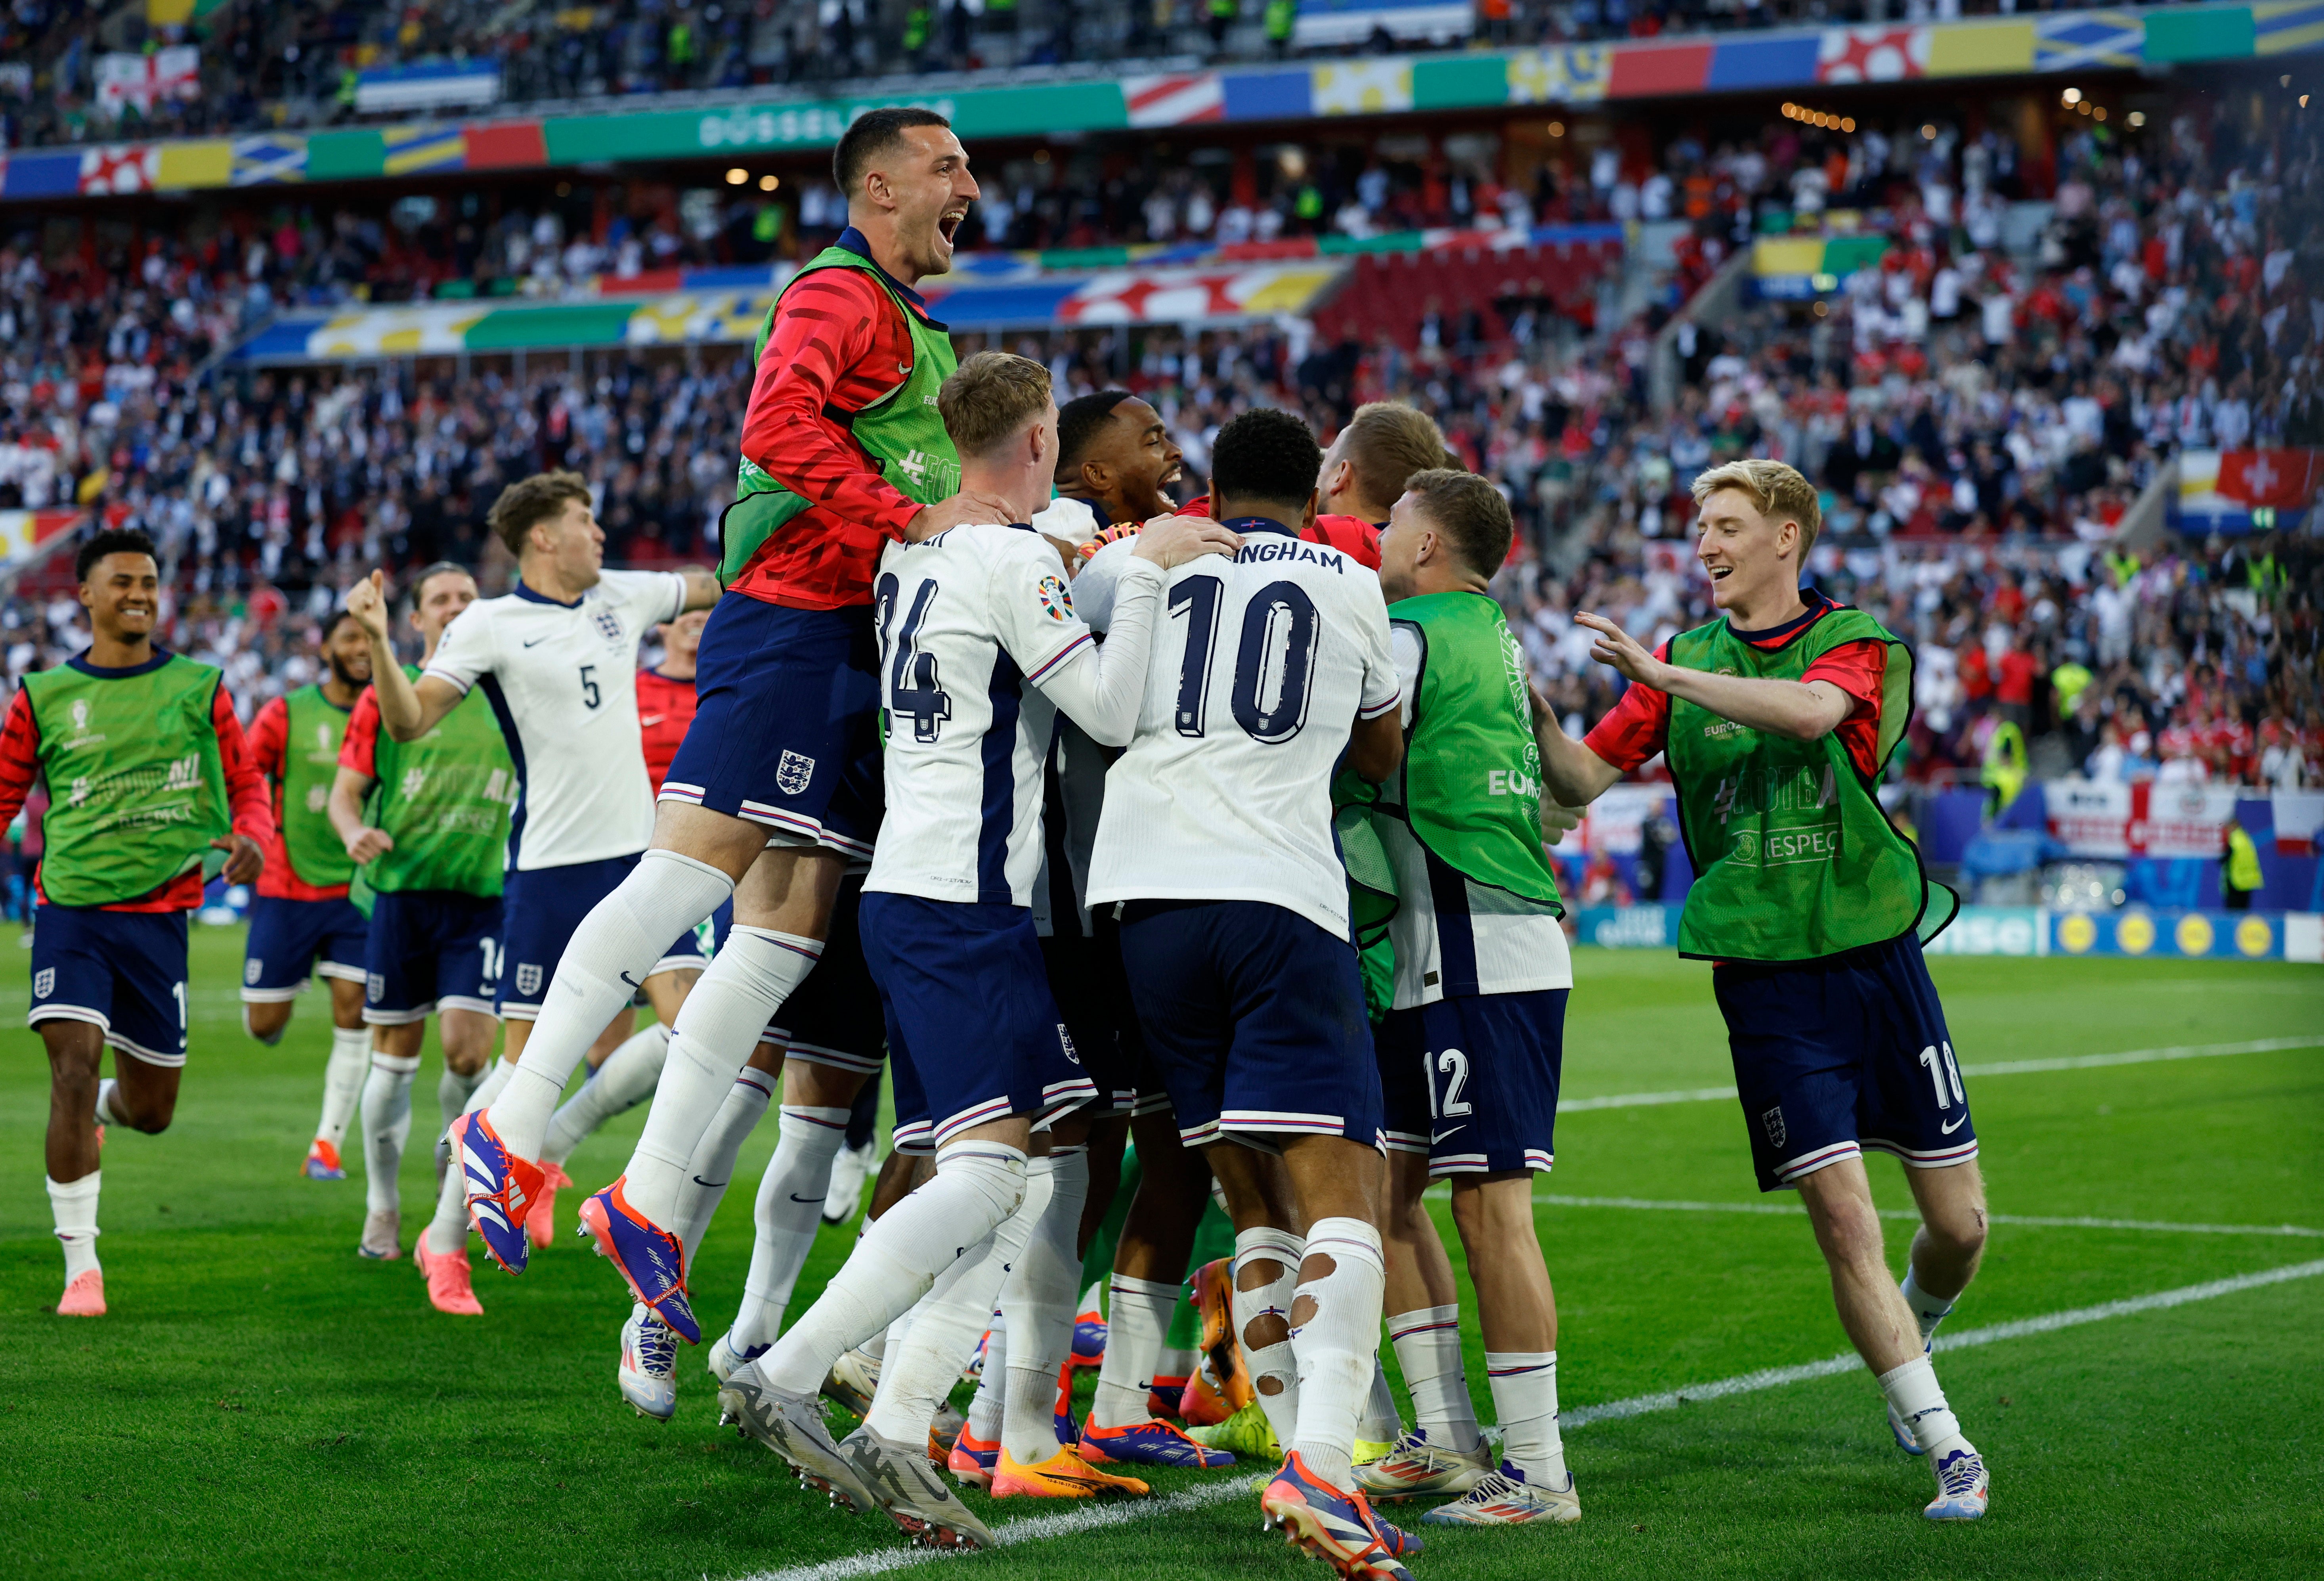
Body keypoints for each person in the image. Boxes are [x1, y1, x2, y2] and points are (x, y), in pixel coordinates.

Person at [451, 109, 1009, 1341]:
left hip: (843, 645)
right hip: (794, 623)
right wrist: (905, 522)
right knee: (686, 867)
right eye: (947, 165)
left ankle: (647, 1197)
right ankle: (510, 1116)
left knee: (791, 925)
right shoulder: (837, 291)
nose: (970, 183)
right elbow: (776, 425)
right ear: (878, 184)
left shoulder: (918, 325)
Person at [717, 352, 1237, 1541]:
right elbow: (1105, 707)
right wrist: (1146, 571)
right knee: (998, 1175)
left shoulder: (920, 547)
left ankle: (900, 1429)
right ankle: (789, 1370)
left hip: (932, 889)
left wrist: (1086, 555)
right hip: (961, 900)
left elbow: (1028, 566)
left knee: (1022, 1178)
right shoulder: (1005, 556)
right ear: (1045, 438)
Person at [1535, 457, 1990, 1523]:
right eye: (1701, 528)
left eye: (1728, 525)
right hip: (1765, 980)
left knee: (1960, 1225)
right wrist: (1519, 703)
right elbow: (1584, 780)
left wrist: (1665, 676)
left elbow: (1813, 715)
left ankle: (1918, 1316)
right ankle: (1945, 1441)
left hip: (1876, 953)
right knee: (1843, 1219)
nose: (1706, 545)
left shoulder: (1856, 641)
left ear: (1788, 536)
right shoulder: (1679, 659)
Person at [1079, 407, 1419, 1580]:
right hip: (1277, 894)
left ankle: (1284, 1434)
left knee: (1240, 1176)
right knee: (1346, 1192)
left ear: (1214, 486)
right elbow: (1380, 753)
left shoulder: (1146, 561)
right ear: (1312, 493)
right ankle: (1323, 1461)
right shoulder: (1348, 579)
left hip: (1140, 900)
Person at [344, 473, 720, 1380]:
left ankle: (552, 1148)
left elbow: (721, 579)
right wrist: (382, 640)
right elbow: (407, 718)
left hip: (645, 856)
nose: (601, 531)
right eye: (586, 521)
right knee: (520, 1066)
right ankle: (444, 1237)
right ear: (544, 538)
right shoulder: (487, 624)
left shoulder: (622, 594)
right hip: (550, 875)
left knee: (701, 1032)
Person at [1353, 469, 1580, 1526]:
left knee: (1491, 1208)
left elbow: (1365, 747)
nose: (1380, 534)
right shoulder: (1491, 631)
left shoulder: (1412, 632)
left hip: (1475, 944)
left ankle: (1539, 1474)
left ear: (1431, 544)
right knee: (1390, 1196)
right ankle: (1446, 1439)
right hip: (1436, 946)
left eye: (1393, 522)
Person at [2, 528, 268, 1317]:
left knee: (152, 1109)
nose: (140, 593)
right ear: (84, 595)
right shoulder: (42, 695)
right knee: (72, 1069)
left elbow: (244, 777)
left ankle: (109, 1116)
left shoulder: (201, 686)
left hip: (161, 918)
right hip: (72, 911)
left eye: (149, 580)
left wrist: (252, 834)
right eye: (122, 581)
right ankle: (81, 1267)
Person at [326, 562, 514, 1299]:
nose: (457, 607)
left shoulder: (507, 692)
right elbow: (347, 795)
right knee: (396, 1057)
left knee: (469, 1056)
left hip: (483, 900)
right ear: (418, 621)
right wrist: (351, 835)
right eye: (442, 598)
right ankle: (381, 1205)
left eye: (468, 597)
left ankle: (447, 1180)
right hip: (403, 896)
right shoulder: (388, 695)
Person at [241, 610, 375, 1183]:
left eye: (370, 637)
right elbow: (245, 777)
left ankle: (327, 1145)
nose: (362, 648)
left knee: (355, 1011)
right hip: (286, 887)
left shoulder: (395, 715)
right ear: (326, 649)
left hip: (358, 891)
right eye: (350, 637)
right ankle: (284, 987)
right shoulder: (286, 713)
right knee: (264, 1024)